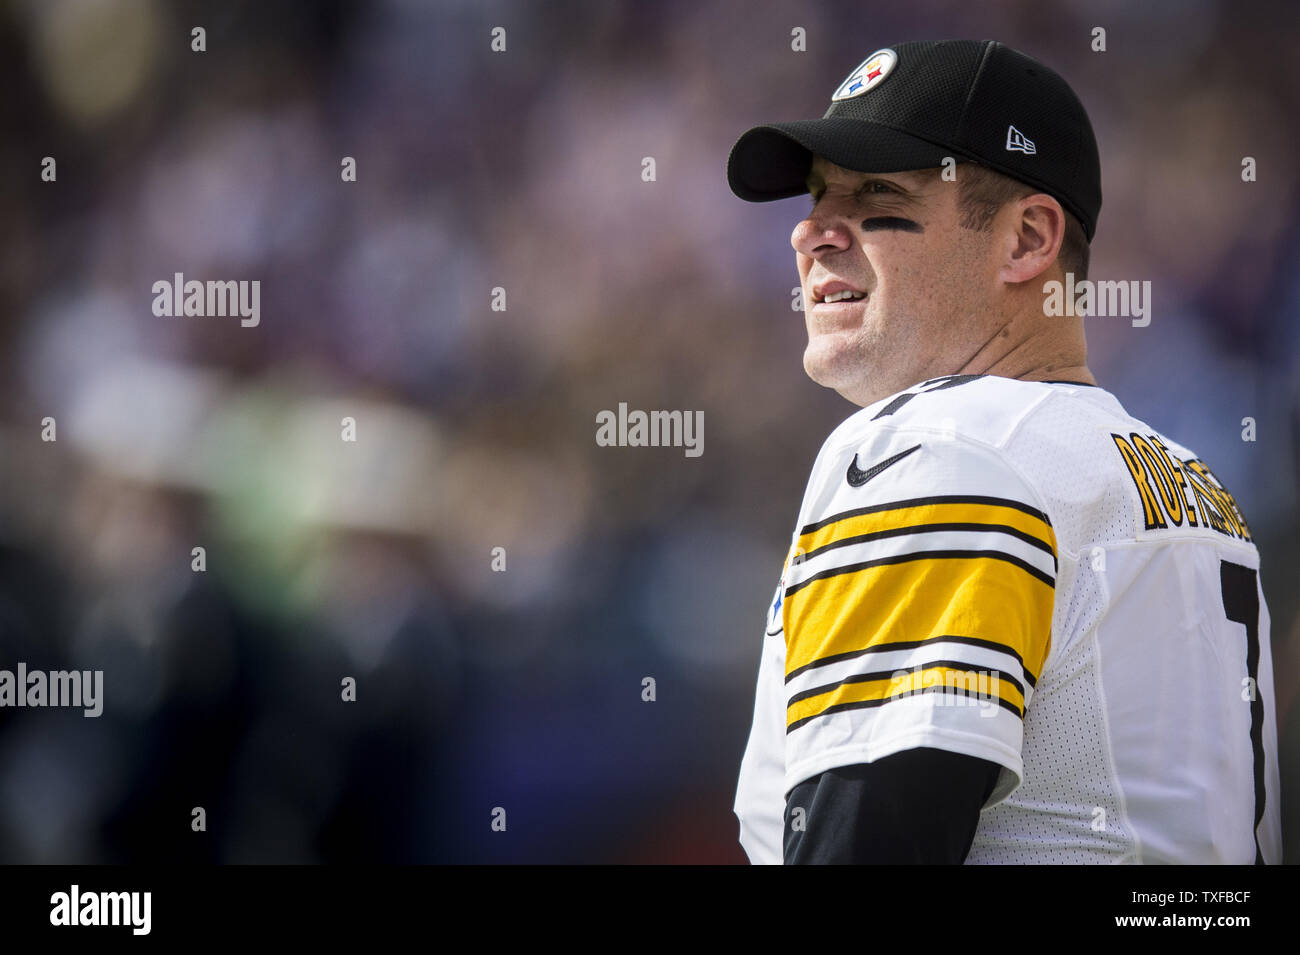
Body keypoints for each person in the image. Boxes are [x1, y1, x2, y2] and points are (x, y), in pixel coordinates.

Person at [726, 39, 1282, 864]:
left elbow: (867, 843)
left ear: (1027, 238)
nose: (811, 231)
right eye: (816, 197)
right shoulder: (1193, 482)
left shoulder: (941, 446)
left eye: (875, 191)